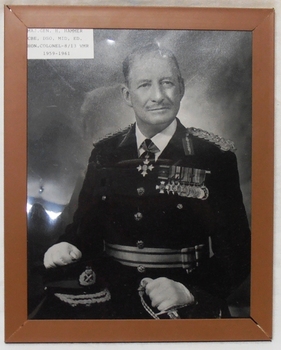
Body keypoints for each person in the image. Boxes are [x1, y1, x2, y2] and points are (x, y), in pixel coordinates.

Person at [43, 43, 251, 319]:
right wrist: (67, 245)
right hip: (110, 299)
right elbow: (85, 227)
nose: (158, 96)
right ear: (127, 95)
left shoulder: (214, 157)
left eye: (167, 83)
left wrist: (190, 291)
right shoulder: (105, 152)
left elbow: (238, 252)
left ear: (182, 88)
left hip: (182, 299)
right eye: (144, 85)